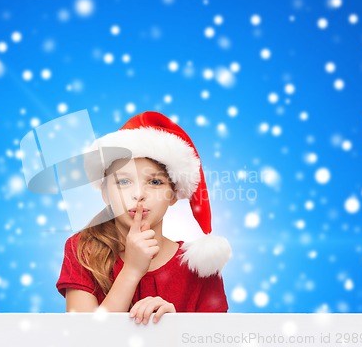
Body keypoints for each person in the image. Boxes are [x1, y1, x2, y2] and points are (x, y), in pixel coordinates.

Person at [56, 111, 232, 325]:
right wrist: (131, 270)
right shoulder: (83, 251)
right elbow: (81, 339)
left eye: (155, 182)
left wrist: (173, 328)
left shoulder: (200, 267)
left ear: (173, 194)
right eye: (123, 182)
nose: (139, 194)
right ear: (105, 194)